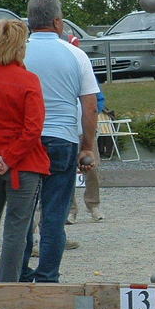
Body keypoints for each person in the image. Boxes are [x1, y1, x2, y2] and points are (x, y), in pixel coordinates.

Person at [18, 0, 98, 283]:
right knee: (54, 213)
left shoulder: (18, 54)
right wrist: (87, 147)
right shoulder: (75, 55)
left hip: (24, 141)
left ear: (29, 21)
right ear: (57, 22)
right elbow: (90, 105)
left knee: (22, 213)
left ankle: (20, 273)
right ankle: (48, 276)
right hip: (62, 139)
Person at [0, 20, 50, 282]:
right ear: (20, 46)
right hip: (23, 165)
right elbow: (33, 128)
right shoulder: (28, 80)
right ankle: (6, 286)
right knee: (16, 229)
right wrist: (8, 159)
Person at [67, 90, 106, 223]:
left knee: (93, 169)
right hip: (66, 131)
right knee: (66, 171)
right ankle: (70, 210)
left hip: (86, 132)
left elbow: (99, 99)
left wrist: (92, 115)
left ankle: (93, 205)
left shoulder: (86, 73)